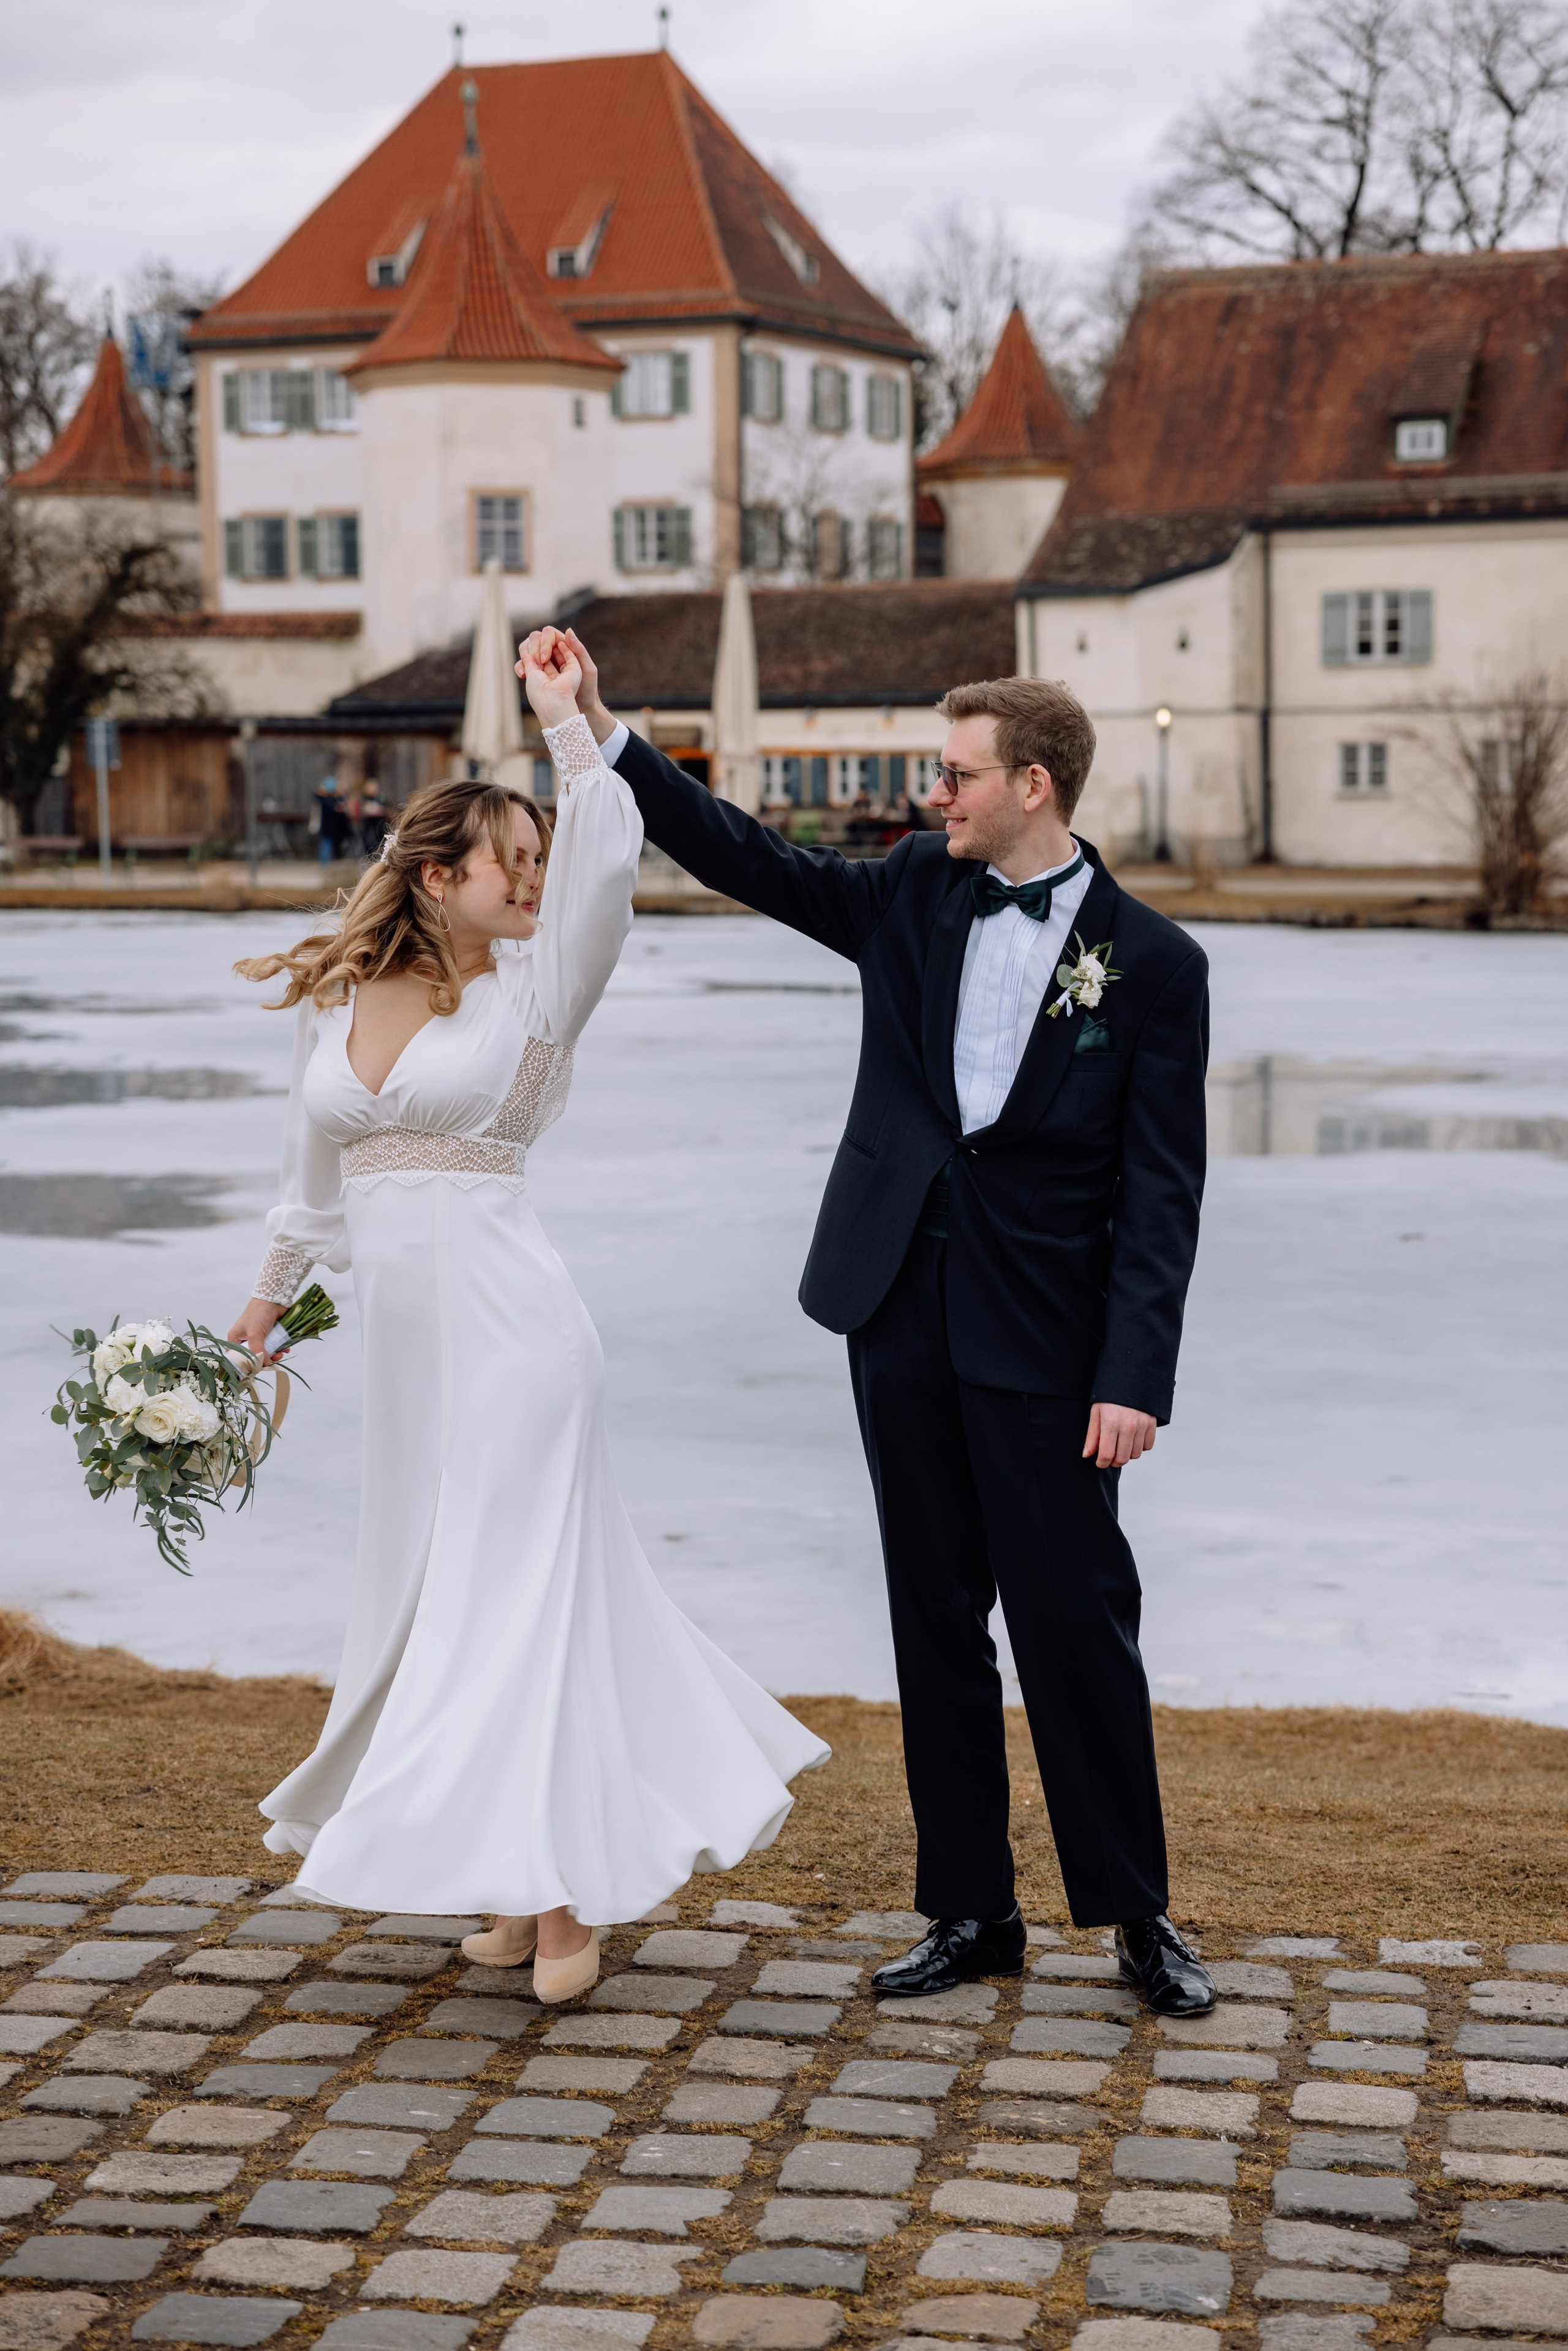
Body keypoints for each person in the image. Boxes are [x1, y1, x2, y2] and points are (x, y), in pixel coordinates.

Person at [523, 625, 1216, 2019]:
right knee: (931, 1616)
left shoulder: (1152, 963)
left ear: (1031, 782)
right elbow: (748, 857)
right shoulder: (910, 889)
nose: (930, 795)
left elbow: (1161, 1195)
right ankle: (970, 1908)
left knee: (1076, 1623)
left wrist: (1132, 1373)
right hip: (893, 1309)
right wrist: (599, 729)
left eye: (953, 775)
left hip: (1049, 1347)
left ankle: (1136, 1917)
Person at [227, 641, 827, 2004]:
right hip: (410, 1364)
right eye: (513, 861)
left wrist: (567, 727)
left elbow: (608, 879)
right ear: (440, 874)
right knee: (447, 1609)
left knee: (509, 1612)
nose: (537, 881)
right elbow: (305, 1193)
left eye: (539, 861)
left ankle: (558, 1900)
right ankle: (505, 1882)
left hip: (517, 1344)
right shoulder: (334, 1007)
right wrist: (257, 1317)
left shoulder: (536, 992)